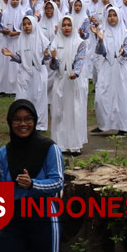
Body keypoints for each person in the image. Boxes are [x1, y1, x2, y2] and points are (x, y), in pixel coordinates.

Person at [0, 99, 64, 252]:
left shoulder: (49, 148)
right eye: (17, 119)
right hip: (13, 217)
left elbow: (58, 182)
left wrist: (33, 184)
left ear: (35, 121)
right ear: (10, 122)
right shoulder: (4, 153)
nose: (23, 124)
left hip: (43, 214)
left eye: (28, 119)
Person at [47, 15, 88, 156]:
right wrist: (53, 58)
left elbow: (80, 60)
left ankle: (75, 145)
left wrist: (75, 73)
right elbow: (53, 66)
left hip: (74, 81)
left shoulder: (80, 42)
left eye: (69, 25)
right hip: (60, 79)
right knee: (59, 112)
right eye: (63, 25)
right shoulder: (55, 42)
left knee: (74, 111)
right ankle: (60, 143)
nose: (66, 28)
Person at [91, 6, 127, 137]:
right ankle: (103, 125)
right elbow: (100, 51)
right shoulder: (103, 31)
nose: (112, 18)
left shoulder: (126, 34)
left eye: (114, 15)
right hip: (107, 67)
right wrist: (100, 40)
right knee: (101, 97)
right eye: (109, 16)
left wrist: (123, 51)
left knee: (122, 98)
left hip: (121, 68)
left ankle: (123, 127)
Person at [2, 15, 50, 132]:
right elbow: (21, 58)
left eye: (29, 24)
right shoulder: (21, 39)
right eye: (24, 24)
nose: (27, 26)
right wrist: (12, 54)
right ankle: (23, 122)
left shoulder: (42, 39)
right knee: (24, 97)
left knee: (39, 98)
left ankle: (39, 125)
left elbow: (46, 59)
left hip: (38, 71)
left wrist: (47, 55)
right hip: (24, 71)